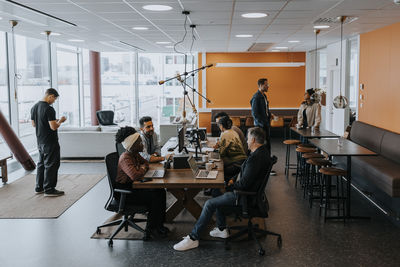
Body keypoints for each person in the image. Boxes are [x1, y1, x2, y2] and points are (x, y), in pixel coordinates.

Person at [173, 127, 272, 251]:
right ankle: (221, 228)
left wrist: (227, 186)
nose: (246, 141)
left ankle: (193, 238)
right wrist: (231, 180)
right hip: (249, 192)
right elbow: (245, 172)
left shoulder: (256, 159)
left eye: (248, 138)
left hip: (244, 196)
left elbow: (244, 184)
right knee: (215, 191)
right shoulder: (261, 152)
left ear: (253, 139)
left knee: (209, 204)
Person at [115, 126, 169, 239]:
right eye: (139, 142)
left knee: (160, 191)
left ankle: (159, 225)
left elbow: (146, 163)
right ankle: (150, 229)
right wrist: (143, 169)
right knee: (155, 197)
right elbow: (135, 175)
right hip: (126, 193)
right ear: (132, 144)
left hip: (134, 188)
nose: (142, 144)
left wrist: (142, 168)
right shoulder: (125, 158)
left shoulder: (134, 154)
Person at [31, 88, 66, 196]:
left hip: (40, 140)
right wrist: (60, 121)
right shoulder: (49, 109)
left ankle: (39, 187)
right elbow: (53, 127)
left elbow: (34, 124)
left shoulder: (34, 107)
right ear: (50, 96)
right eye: (54, 99)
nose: (54, 101)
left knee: (41, 164)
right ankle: (49, 189)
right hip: (50, 141)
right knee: (52, 164)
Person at [250, 78, 276, 175]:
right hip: (261, 127)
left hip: (265, 125)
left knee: (267, 146)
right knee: (263, 147)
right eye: (266, 84)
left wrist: (270, 115)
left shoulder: (264, 96)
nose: (268, 86)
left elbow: (264, 110)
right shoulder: (256, 97)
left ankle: (267, 167)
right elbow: (255, 114)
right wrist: (263, 124)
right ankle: (265, 169)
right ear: (261, 85)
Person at [214, 116, 247, 182]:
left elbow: (222, 153)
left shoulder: (226, 133)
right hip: (241, 161)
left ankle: (217, 188)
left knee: (216, 168)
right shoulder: (232, 131)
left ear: (221, 126)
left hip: (235, 165)